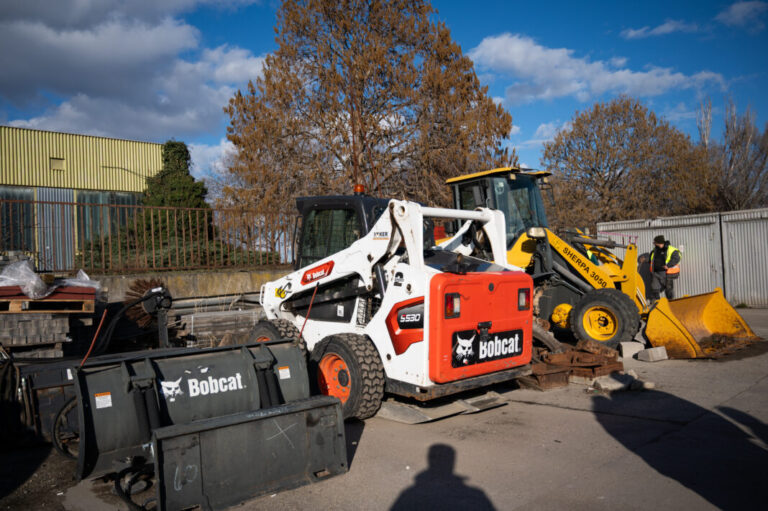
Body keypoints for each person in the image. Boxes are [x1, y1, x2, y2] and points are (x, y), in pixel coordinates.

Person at [648, 235, 681, 300]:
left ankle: (671, 302)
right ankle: (657, 303)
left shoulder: (670, 249)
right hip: (655, 273)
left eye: (655, 242)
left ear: (659, 242)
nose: (654, 244)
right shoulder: (655, 250)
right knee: (655, 289)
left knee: (668, 289)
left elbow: (676, 258)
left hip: (665, 273)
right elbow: (651, 259)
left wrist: (668, 265)